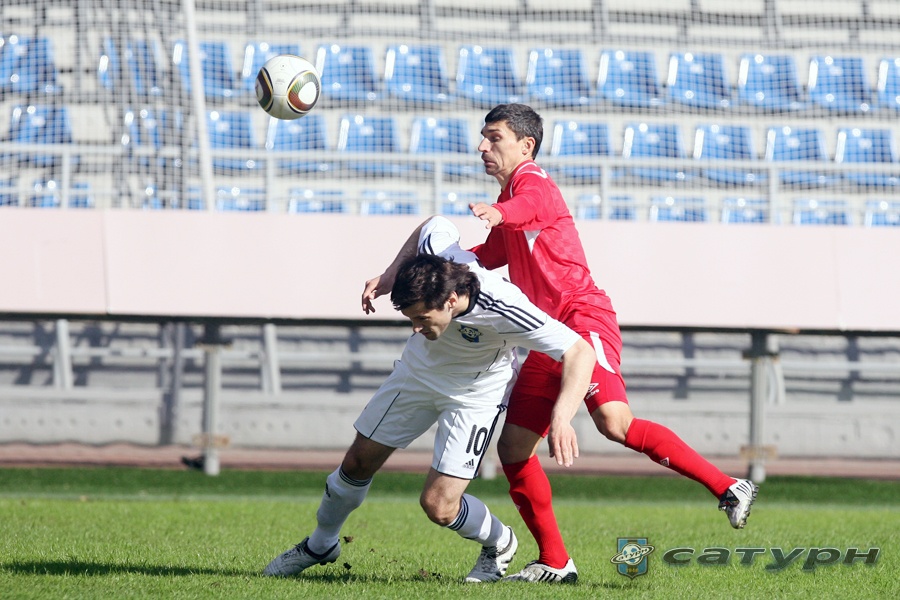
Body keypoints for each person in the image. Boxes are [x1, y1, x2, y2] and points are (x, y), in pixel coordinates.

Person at [464, 103, 759, 583]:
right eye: (483, 136)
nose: (482, 146)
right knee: (514, 448)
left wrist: (498, 212)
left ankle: (729, 486)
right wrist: (427, 269)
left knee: (614, 423)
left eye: (494, 137)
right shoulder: (510, 198)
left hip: (582, 318)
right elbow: (488, 254)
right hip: (545, 332)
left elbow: (527, 206)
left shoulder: (532, 182)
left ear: (526, 145)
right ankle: (555, 562)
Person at [265, 216, 596, 583]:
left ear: (452, 300)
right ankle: (321, 544)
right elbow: (433, 223)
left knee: (439, 505)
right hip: (417, 375)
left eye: (422, 318)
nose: (416, 328)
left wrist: (562, 418)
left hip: (474, 396)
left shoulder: (506, 308)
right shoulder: (437, 252)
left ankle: (500, 542)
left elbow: (580, 351)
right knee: (357, 462)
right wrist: (391, 274)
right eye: (410, 319)